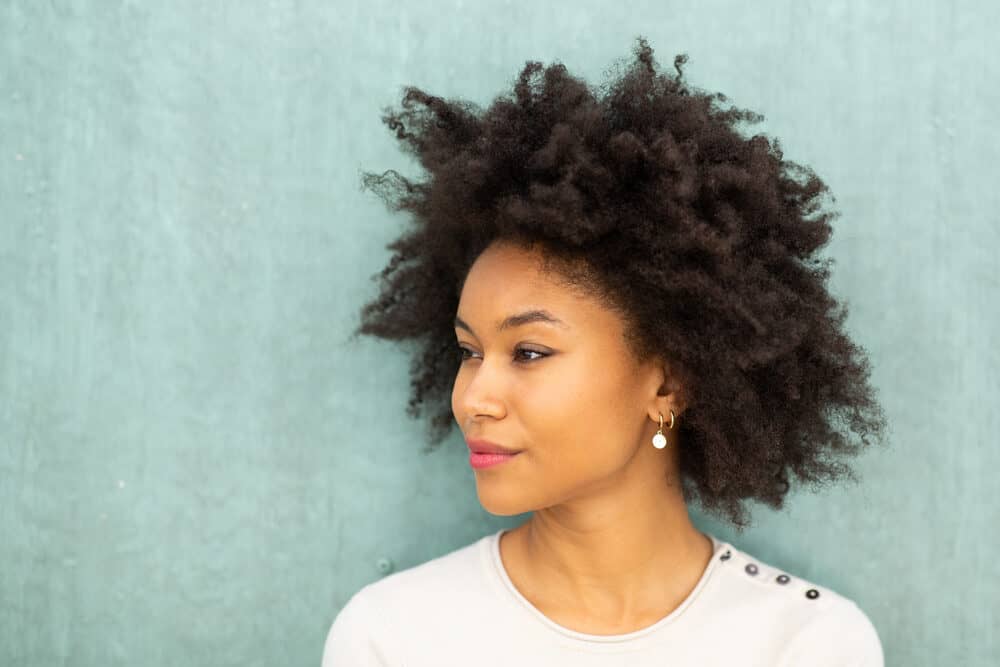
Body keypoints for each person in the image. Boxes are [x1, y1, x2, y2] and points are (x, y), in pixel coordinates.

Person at [324, 36, 889, 666]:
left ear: (668, 383)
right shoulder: (393, 636)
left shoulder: (805, 643)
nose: (474, 398)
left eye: (530, 352)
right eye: (469, 351)